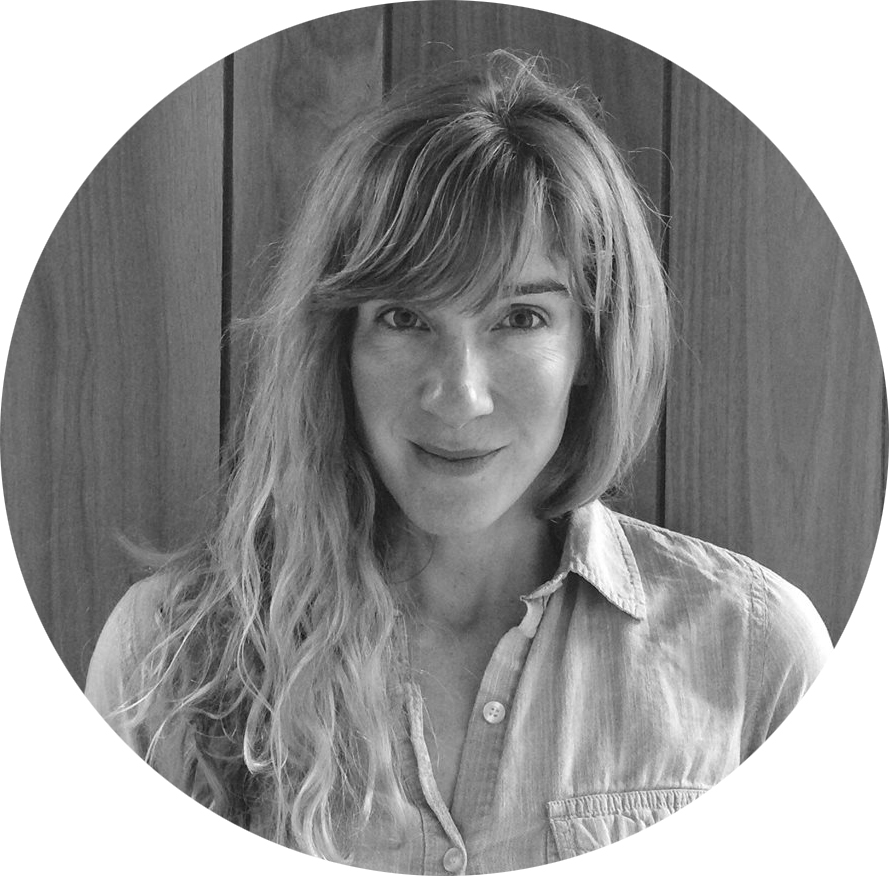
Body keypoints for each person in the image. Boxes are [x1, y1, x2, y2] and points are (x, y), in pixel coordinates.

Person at [85, 51, 831, 873]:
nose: (459, 396)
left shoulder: (759, 655)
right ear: (339, 343)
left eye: (519, 317)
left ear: (591, 342)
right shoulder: (168, 659)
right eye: (405, 317)